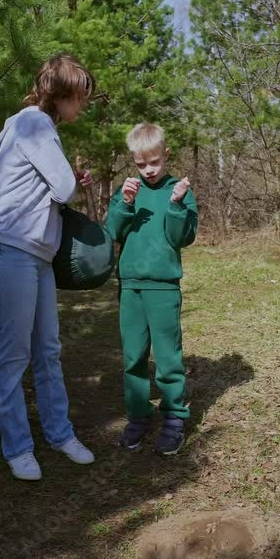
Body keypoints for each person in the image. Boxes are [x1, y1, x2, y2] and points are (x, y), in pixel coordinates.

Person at [0, 55, 96, 481]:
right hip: (11, 250)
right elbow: (62, 188)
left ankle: (60, 434)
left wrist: (68, 179)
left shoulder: (37, 127)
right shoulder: (33, 122)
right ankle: (18, 447)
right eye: (80, 96)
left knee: (48, 350)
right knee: (13, 355)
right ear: (60, 93)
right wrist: (69, 180)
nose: (83, 104)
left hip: (37, 255)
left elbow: (50, 185)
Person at [105, 123, 198, 456]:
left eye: (154, 162)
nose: (149, 170)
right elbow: (113, 232)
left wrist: (175, 205)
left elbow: (181, 237)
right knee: (133, 356)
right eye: (141, 164)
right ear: (134, 161)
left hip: (163, 287)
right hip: (130, 286)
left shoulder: (179, 191)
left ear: (165, 154)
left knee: (168, 356)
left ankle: (174, 417)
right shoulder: (126, 190)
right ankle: (138, 415)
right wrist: (125, 204)